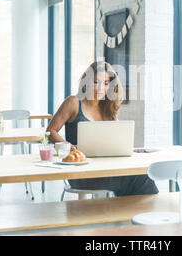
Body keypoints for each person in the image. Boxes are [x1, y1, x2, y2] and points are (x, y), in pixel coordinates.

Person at [46, 61, 159, 196]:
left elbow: (115, 138)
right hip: (82, 172)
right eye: (96, 82)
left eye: (105, 83)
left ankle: (132, 213)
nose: (100, 88)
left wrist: (127, 148)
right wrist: (70, 147)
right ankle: (142, 213)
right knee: (141, 178)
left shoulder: (107, 108)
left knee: (142, 174)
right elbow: (50, 131)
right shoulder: (73, 102)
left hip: (107, 167)